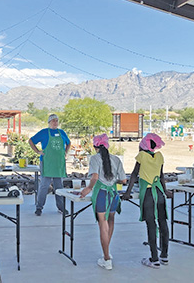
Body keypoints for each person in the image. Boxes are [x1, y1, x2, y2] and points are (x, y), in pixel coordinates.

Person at [123, 133, 171, 269]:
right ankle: (165, 256)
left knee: (151, 224)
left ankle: (154, 258)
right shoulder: (160, 156)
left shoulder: (141, 156)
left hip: (149, 194)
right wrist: (166, 191)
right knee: (163, 223)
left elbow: (134, 175)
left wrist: (128, 192)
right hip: (160, 192)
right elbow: (161, 176)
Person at [79, 133, 126, 270]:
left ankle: (106, 259)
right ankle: (107, 252)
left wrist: (88, 188)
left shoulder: (94, 159)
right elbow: (123, 180)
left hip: (101, 194)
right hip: (114, 194)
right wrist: (112, 180)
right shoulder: (116, 159)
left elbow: (95, 176)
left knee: (102, 223)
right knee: (110, 220)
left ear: (95, 147)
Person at [29, 114, 71, 216]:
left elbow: (69, 143)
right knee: (44, 186)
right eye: (53, 121)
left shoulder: (62, 132)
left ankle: (61, 208)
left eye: (56, 120)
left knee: (59, 187)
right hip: (47, 163)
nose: (55, 122)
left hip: (58, 164)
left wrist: (66, 152)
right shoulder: (44, 132)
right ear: (49, 122)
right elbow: (31, 141)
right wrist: (37, 151)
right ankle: (39, 207)